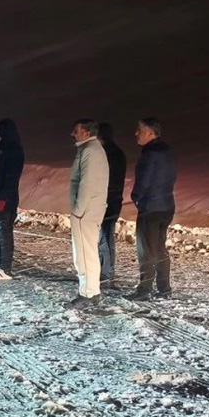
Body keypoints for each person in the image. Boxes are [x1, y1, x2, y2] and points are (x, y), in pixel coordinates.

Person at [128, 117, 177, 300]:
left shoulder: (150, 153)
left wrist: (137, 197)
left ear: (150, 132)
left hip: (151, 207)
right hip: (166, 205)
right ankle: (164, 289)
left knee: (146, 250)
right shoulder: (167, 151)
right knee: (159, 248)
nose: (136, 134)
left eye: (139, 130)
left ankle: (144, 290)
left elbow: (144, 180)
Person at [66, 119, 109, 309]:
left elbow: (87, 183)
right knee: (87, 251)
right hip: (90, 207)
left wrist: (78, 210)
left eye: (76, 130)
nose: (72, 134)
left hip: (86, 210)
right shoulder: (91, 149)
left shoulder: (90, 150)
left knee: (84, 252)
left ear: (86, 132)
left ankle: (88, 293)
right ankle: (91, 290)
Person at [0, 119, 24, 280]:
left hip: (5, 198)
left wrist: (3, 200)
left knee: (3, 234)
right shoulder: (6, 151)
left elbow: (10, 178)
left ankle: (4, 268)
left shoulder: (14, 152)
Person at [97, 122, 127, 287]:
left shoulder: (106, 154)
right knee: (107, 237)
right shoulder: (117, 153)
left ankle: (106, 273)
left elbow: (106, 180)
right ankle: (107, 272)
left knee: (103, 237)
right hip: (114, 200)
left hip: (106, 201)